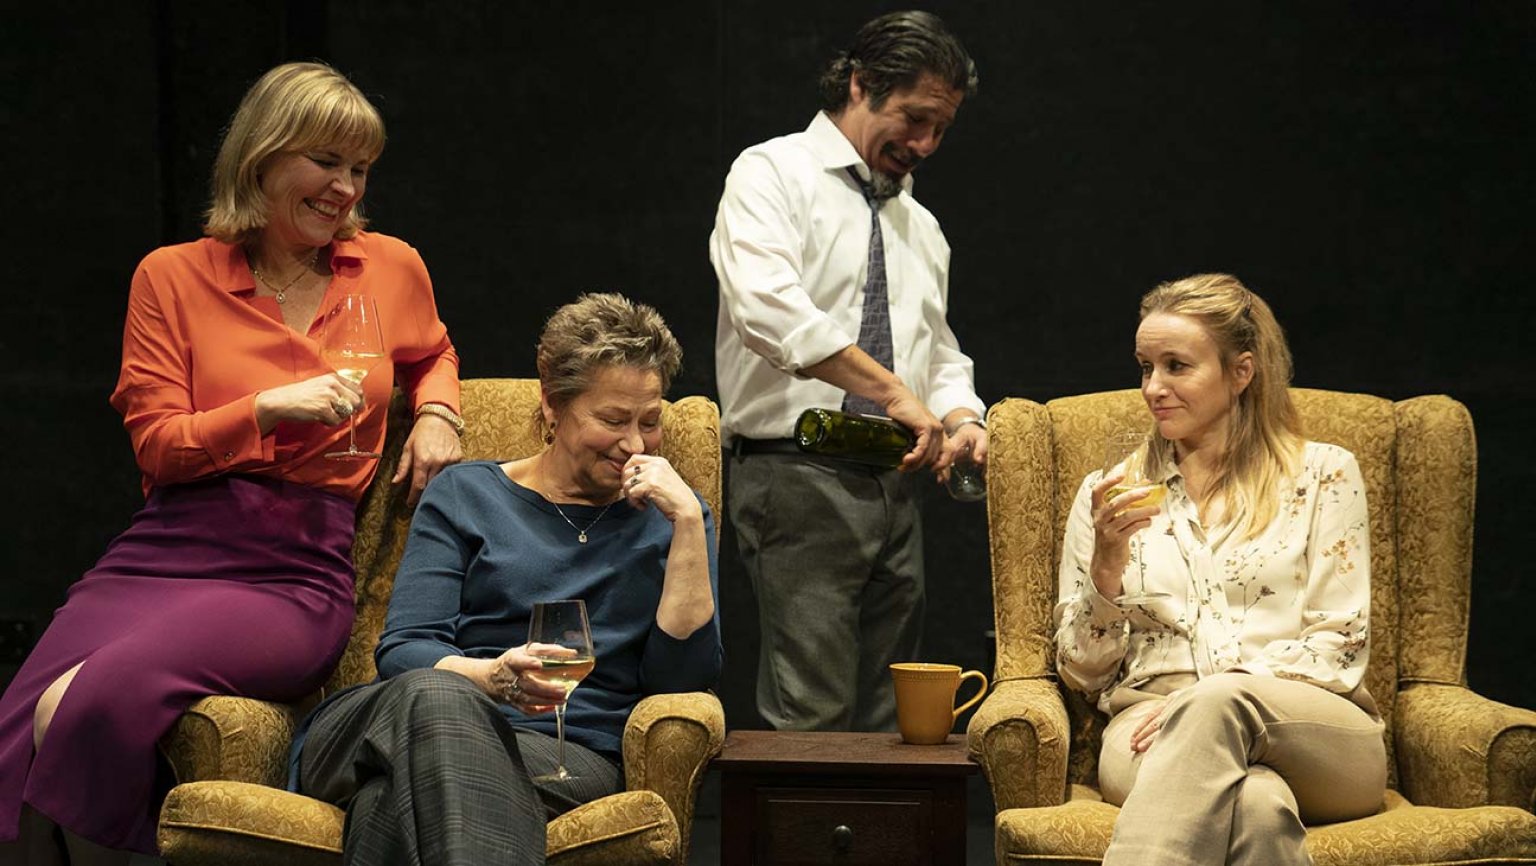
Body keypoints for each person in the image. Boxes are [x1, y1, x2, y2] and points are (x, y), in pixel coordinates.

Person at [0, 62, 463, 864]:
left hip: (291, 571)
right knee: (21, 719)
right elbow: (157, 446)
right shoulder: (171, 277)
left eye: (359, 169)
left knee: (86, 705)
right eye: (325, 163)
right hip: (168, 546)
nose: (346, 189)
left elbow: (434, 350)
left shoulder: (388, 266)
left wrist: (438, 413)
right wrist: (262, 411)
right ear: (263, 156)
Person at [294, 293, 722, 866]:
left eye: (651, 421)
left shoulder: (675, 517)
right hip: (397, 717)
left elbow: (681, 681)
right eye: (613, 420)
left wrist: (690, 523)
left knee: (382, 807)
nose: (635, 444)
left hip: (565, 755)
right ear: (552, 407)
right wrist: (489, 676)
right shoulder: (466, 494)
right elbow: (405, 649)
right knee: (437, 694)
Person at [710, 10, 988, 732]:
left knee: (891, 718)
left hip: (895, 478)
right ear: (860, 83)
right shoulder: (772, 173)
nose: (925, 144)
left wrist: (961, 416)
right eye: (914, 119)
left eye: (941, 130)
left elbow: (938, 345)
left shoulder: (918, 224)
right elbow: (770, 311)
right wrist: (895, 391)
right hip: (798, 470)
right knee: (814, 712)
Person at [1054, 274, 1386, 864]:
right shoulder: (1109, 495)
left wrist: (1208, 699)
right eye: (1145, 367)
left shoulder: (1323, 475)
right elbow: (1082, 672)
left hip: (1314, 732)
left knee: (1218, 704)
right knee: (1257, 807)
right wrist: (1107, 567)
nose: (1154, 387)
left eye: (1177, 366)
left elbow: (1340, 643)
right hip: (1144, 735)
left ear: (1241, 373)